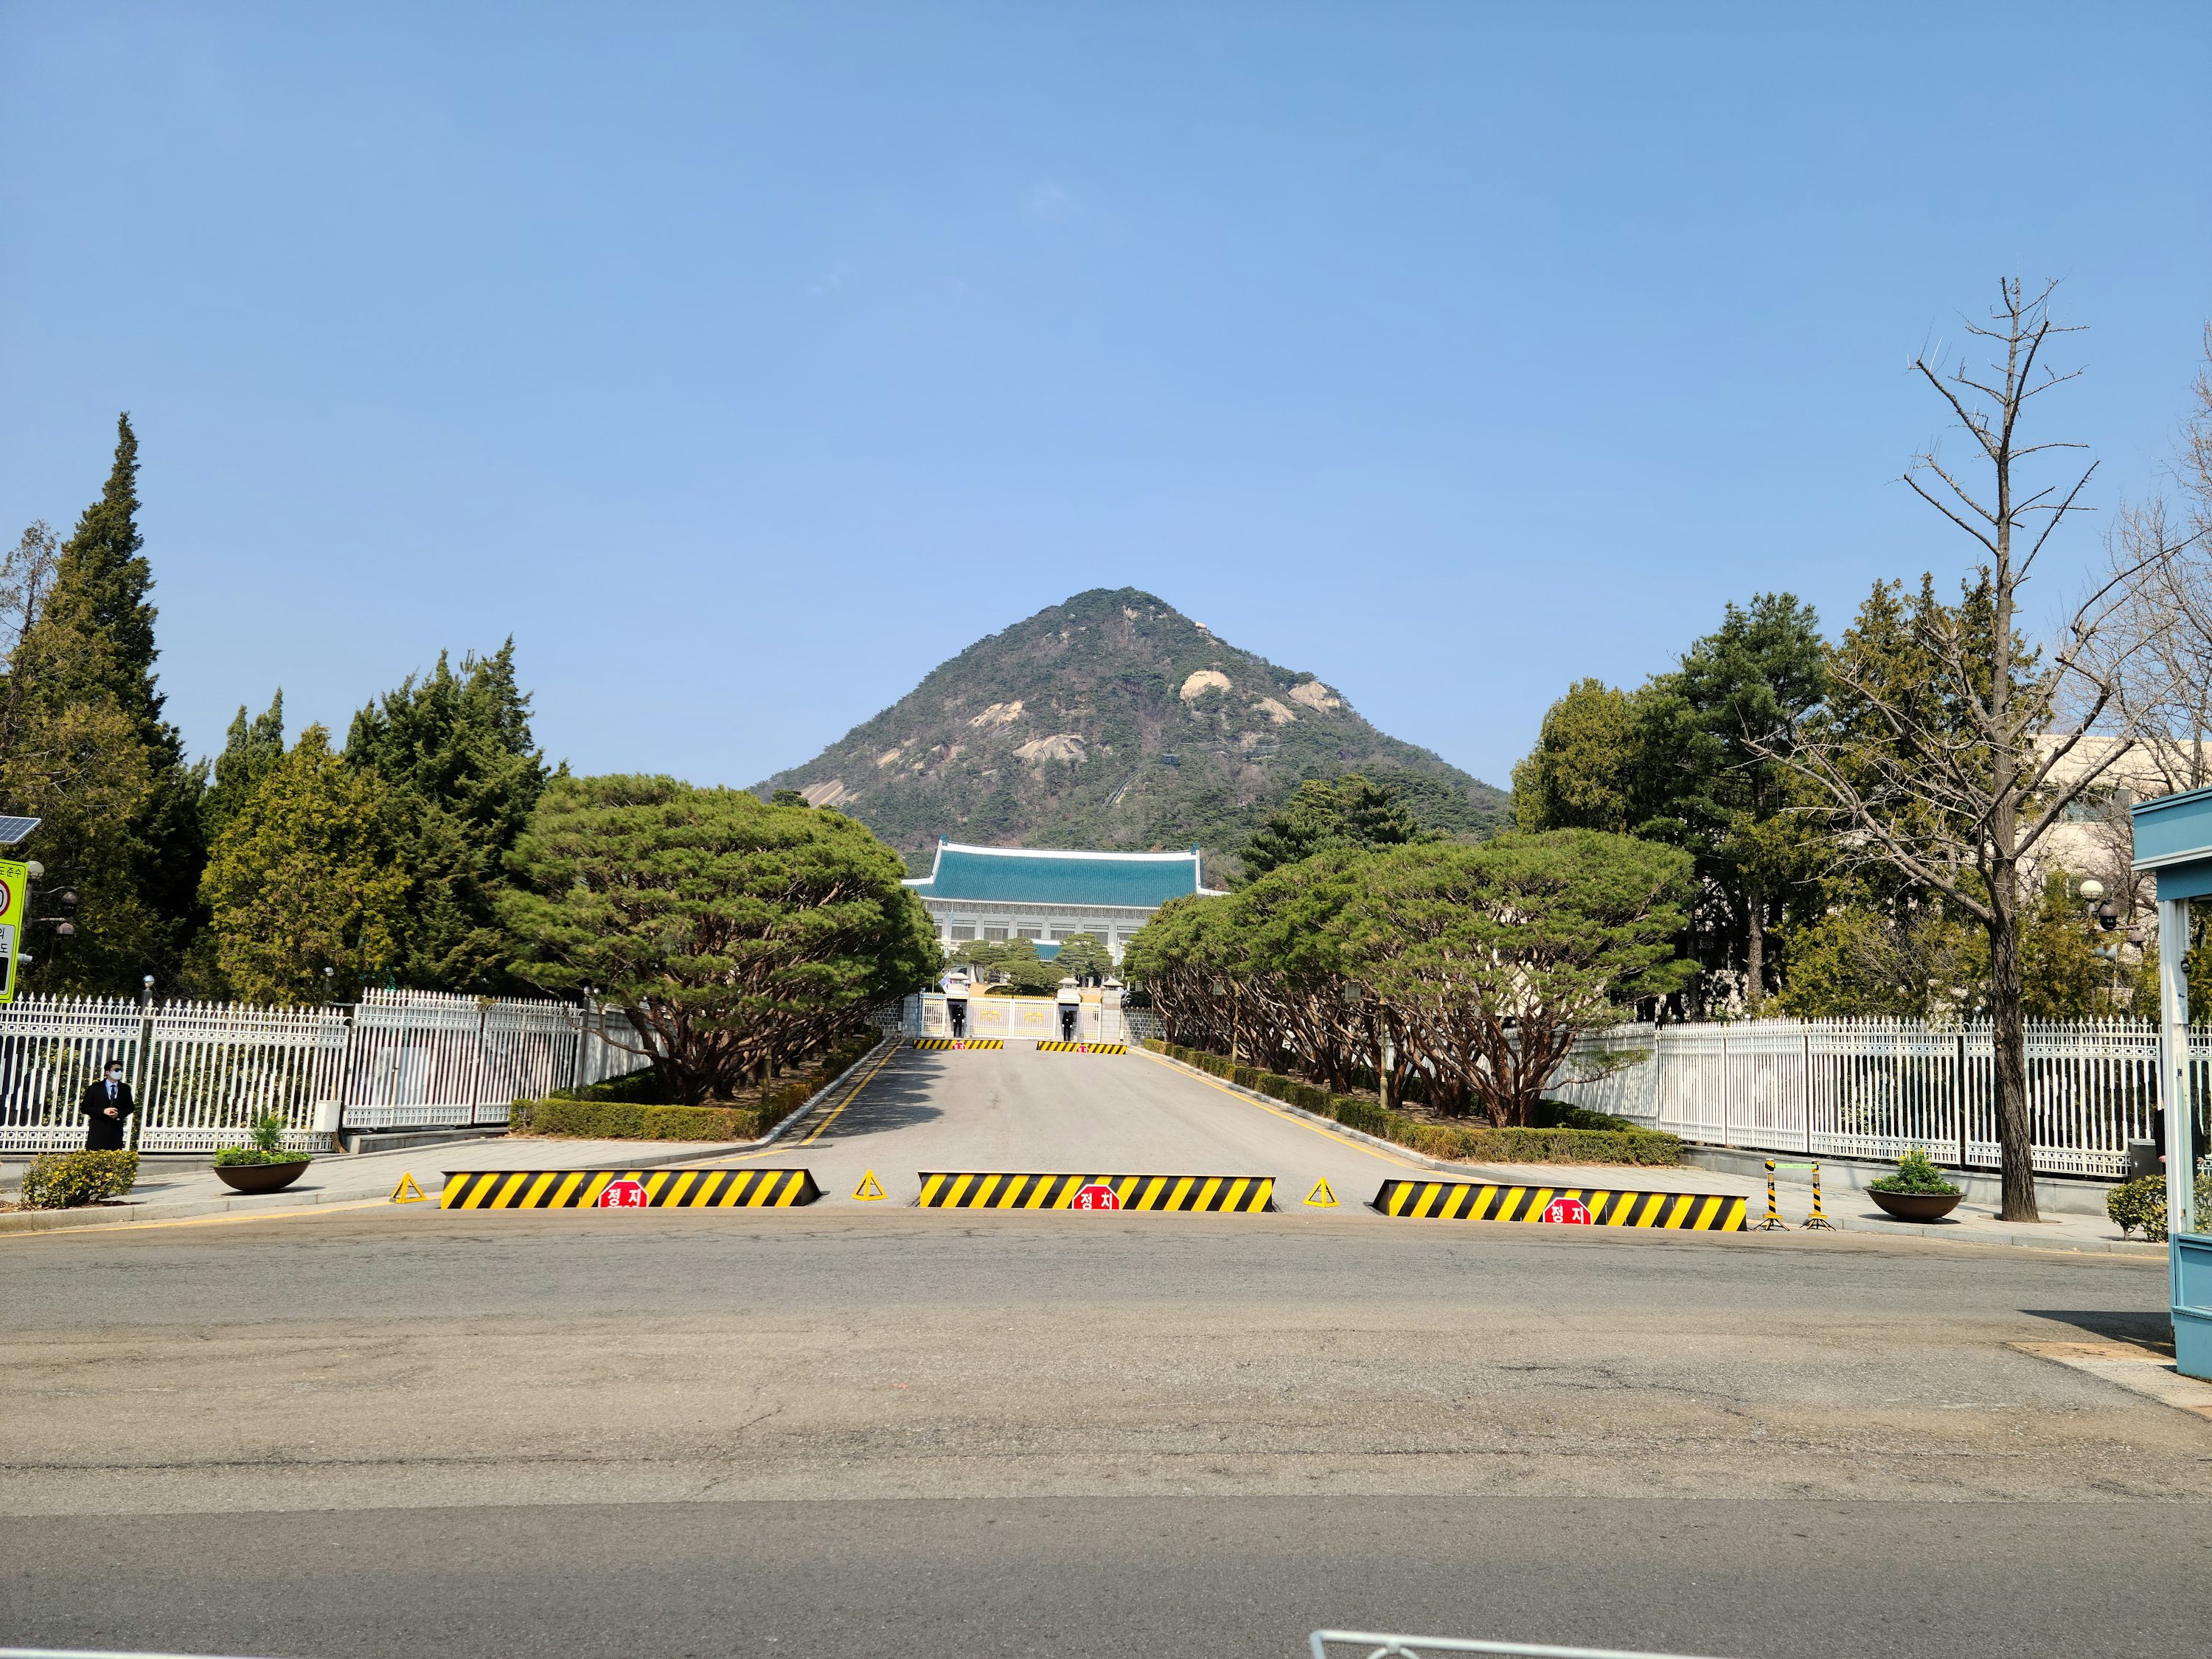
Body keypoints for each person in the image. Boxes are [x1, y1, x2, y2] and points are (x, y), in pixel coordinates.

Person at [80, 1060, 135, 1150]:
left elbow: (130, 1107)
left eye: (121, 1070)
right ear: (107, 1072)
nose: (119, 1072)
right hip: (98, 1129)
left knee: (114, 1155)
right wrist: (103, 1111)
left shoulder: (125, 1088)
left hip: (116, 1130)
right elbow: (85, 1108)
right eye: (116, 1070)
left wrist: (118, 1114)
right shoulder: (95, 1088)